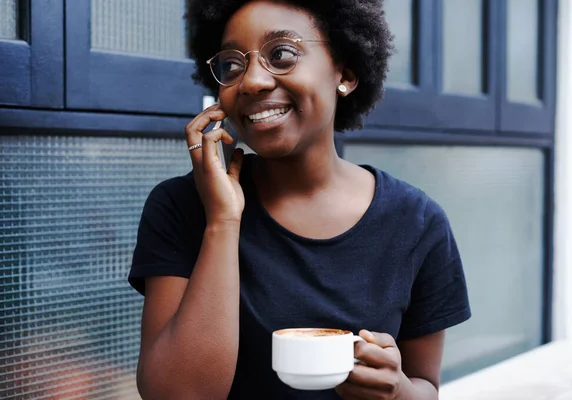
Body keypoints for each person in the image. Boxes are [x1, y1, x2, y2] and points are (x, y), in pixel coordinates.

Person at [128, 0, 471, 398]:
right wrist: (222, 223)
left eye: (282, 54)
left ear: (345, 73)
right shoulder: (181, 206)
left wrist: (398, 391)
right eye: (232, 65)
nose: (252, 81)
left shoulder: (417, 222)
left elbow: (426, 386)